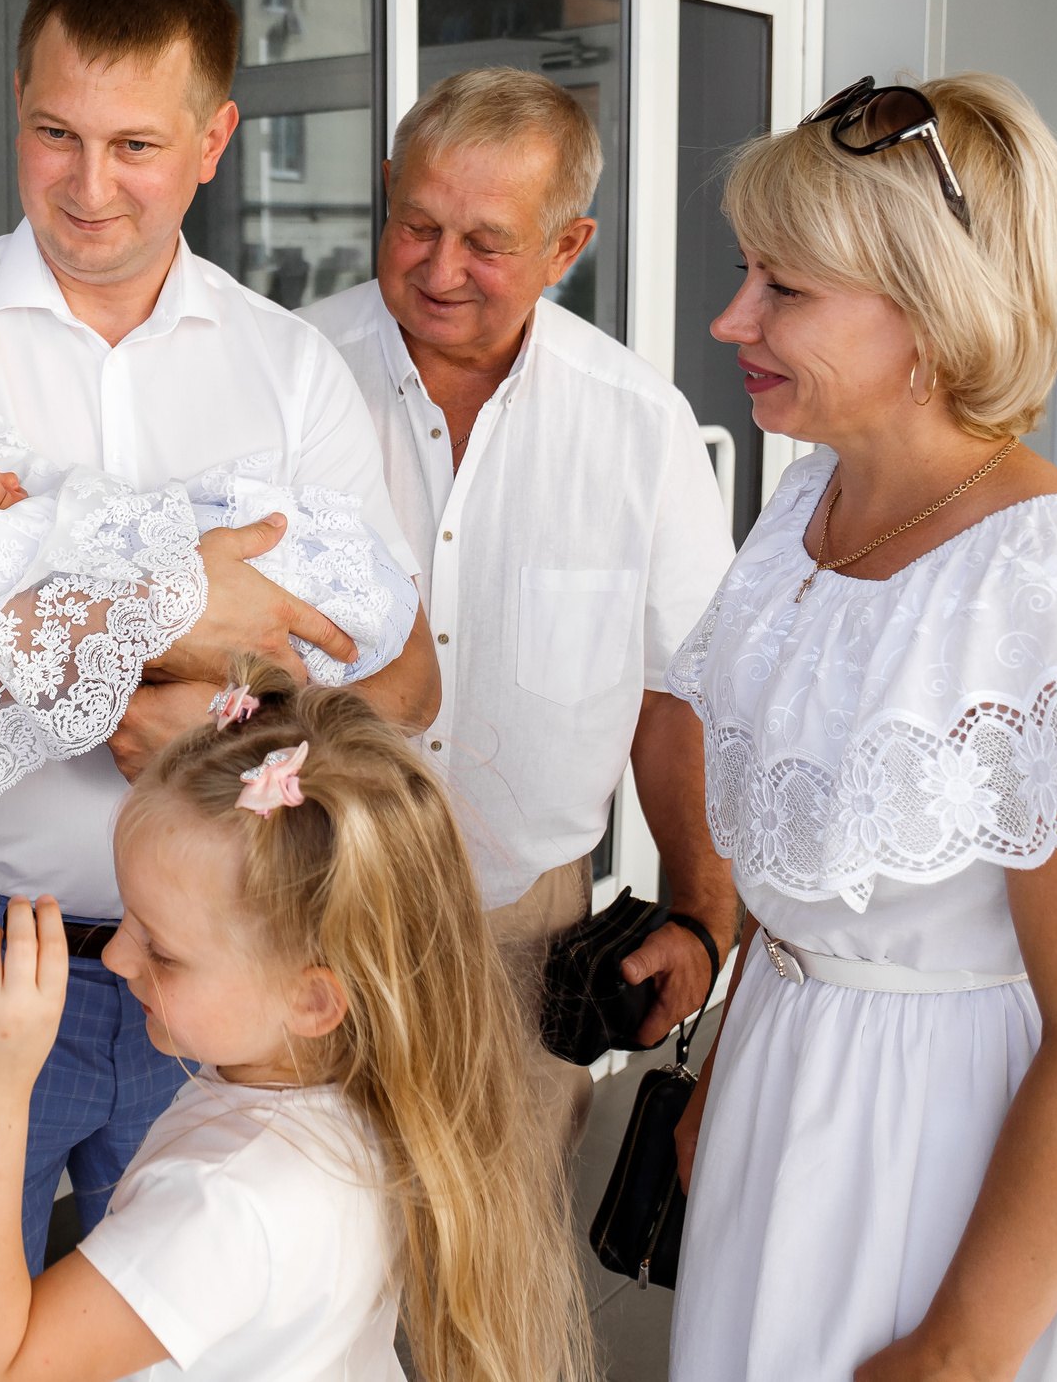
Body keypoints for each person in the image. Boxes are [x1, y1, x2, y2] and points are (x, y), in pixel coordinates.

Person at [0, 0, 440, 1381]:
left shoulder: (288, 368)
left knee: (183, 1357)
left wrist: (218, 707)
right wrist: (165, 626)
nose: (88, 187)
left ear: (214, 138)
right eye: (54, 133)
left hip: (231, 975)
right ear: (16, 105)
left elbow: (404, 680)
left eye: (136, 144)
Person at [668, 72, 1057, 1378]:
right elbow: (799, 871)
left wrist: (958, 1351)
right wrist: (729, 1070)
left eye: (783, 287)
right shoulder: (797, 514)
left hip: (958, 1149)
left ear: (931, 308)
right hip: (789, 1103)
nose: (731, 318)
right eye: (747, 272)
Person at [0, 656, 591, 1382]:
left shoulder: (223, 1201)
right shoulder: (366, 1091)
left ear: (312, 1001)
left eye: (162, 950)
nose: (114, 956)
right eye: (127, 919)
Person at [300, 67, 737, 1149]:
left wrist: (700, 912)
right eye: (417, 224)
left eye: (485, 243)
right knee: (305, 1220)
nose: (439, 268)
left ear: (565, 246)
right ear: (387, 190)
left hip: (527, 928)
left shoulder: (640, 424)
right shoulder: (286, 376)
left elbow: (677, 694)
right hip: (302, 900)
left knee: (508, 1235)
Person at [0, 420, 413, 694]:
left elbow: (418, 694)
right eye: (2, 497)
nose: (15, 481)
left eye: (3, 474)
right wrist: (161, 621)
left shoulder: (298, 354)